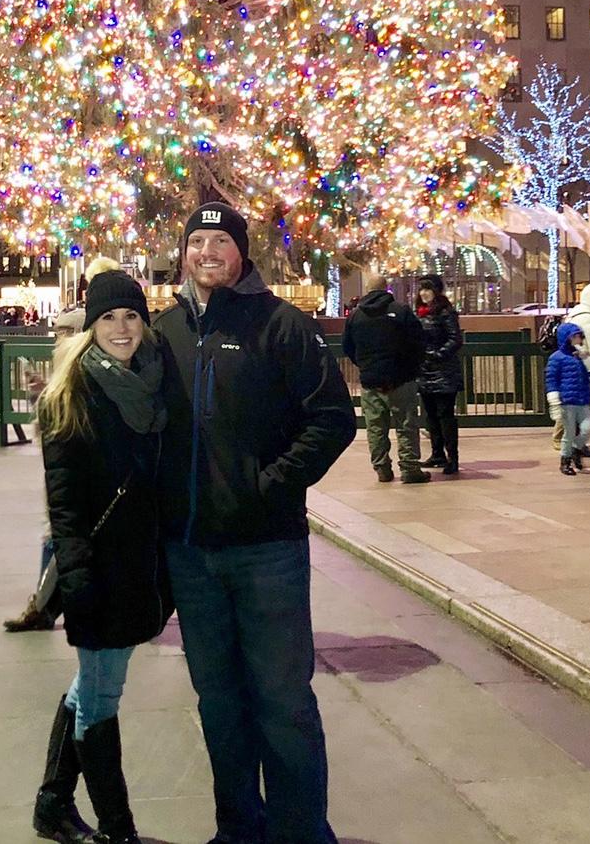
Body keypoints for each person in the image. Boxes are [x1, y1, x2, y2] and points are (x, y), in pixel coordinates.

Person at [155, 202, 356, 844]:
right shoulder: (166, 333)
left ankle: (300, 832)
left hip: (266, 549)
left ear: (242, 253)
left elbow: (332, 419)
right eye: (197, 241)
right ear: (183, 252)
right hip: (191, 553)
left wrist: (268, 486)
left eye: (221, 240)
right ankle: (238, 827)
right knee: (218, 703)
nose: (207, 251)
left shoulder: (281, 325)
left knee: (283, 702)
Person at [33, 269, 170, 844]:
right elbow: (64, 506)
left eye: (131, 316)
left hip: (140, 563)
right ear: (90, 326)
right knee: (100, 698)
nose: (121, 328)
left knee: (92, 687)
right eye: (109, 317)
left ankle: (52, 804)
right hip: (99, 568)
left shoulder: (156, 384)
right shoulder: (71, 396)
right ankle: (118, 829)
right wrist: (78, 574)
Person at [4, 255, 119, 634]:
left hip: (85, 448)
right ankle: (47, 605)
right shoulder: (120, 334)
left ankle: (45, 606)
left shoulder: (88, 332)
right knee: (64, 526)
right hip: (88, 446)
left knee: (61, 526)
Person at [343, 272, 429, 485]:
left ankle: (382, 468)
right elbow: (418, 342)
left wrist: (365, 366)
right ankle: (409, 468)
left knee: (375, 426)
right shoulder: (401, 311)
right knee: (406, 424)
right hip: (401, 378)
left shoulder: (356, 315)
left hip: (371, 381)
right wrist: (411, 367)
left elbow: (348, 347)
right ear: (386, 289)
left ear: (368, 290)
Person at [554, 282, 590, 456]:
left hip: (572, 365)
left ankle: (572, 442)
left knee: (571, 404)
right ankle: (570, 443)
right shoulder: (588, 318)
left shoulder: (574, 314)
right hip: (582, 367)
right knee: (577, 405)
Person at [415, 274, 464, 475]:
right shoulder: (419, 313)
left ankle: (452, 456)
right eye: (422, 289)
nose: (424, 293)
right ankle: (437, 453)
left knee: (445, 415)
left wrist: (438, 354)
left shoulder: (446, 312)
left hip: (444, 372)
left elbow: (455, 339)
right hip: (425, 371)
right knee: (431, 415)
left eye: (428, 289)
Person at [546, 322, 590, 476]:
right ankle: (565, 460)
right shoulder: (557, 358)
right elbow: (551, 379)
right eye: (574, 336)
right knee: (569, 432)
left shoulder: (581, 356)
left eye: (579, 336)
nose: (578, 339)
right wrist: (554, 399)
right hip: (567, 400)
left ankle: (575, 450)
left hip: (582, 398)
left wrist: (586, 359)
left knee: (587, 429)